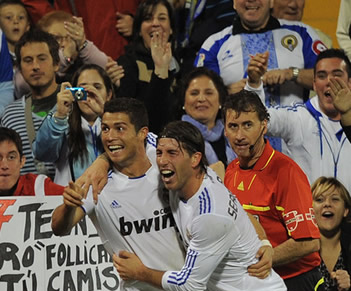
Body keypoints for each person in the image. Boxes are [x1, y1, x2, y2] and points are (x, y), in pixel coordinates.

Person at [113, 120, 290, 291]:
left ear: (195, 159)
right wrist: (99, 165)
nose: (162, 160)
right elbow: (132, 139)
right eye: (159, 153)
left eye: (172, 153)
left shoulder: (209, 215)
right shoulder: (205, 176)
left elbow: (189, 284)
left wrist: (140, 272)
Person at [52, 97, 202, 291]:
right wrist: (68, 206)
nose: (110, 137)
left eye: (119, 128)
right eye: (105, 129)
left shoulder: (162, 158)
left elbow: (214, 172)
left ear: (143, 133)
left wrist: (102, 160)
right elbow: (60, 227)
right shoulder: (97, 183)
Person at [223, 90, 323, 291]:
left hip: (297, 283)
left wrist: (269, 257)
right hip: (257, 283)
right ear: (225, 130)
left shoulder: (286, 172)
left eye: (248, 125)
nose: (240, 135)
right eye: (233, 126)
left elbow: (309, 242)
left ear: (264, 126)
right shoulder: (231, 172)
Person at [246, 48, 351, 189]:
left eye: (337, 75)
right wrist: (253, 84)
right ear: (314, 84)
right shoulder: (297, 118)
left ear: (349, 82)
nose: (329, 82)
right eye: (321, 76)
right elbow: (255, 121)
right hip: (306, 209)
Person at [195, 0, 325, 113]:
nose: (251, 0)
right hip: (236, 139)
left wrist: (291, 74)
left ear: (272, 1)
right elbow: (195, 95)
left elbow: (331, 79)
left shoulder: (302, 33)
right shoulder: (214, 44)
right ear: (234, 3)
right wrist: (226, 92)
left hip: (293, 140)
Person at [33, 64, 114, 185]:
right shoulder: (61, 122)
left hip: (109, 199)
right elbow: (42, 154)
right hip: (70, 198)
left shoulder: (118, 124)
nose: (90, 94)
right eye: (83, 90)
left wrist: (105, 116)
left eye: (97, 88)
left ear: (108, 95)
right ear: (73, 93)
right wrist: (60, 116)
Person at [1, 28, 60, 178]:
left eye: (42, 58)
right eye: (28, 60)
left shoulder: (77, 105)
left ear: (56, 64)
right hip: (28, 197)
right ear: (19, 69)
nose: (35, 66)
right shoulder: (11, 115)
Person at [13, 10, 108, 99]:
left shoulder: (84, 58)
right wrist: (65, 57)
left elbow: (105, 67)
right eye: (56, 38)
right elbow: (22, 84)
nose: (64, 43)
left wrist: (82, 44)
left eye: (70, 37)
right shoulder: (34, 61)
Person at [117, 0, 178, 134]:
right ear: (138, 30)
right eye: (147, 19)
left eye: (162, 18)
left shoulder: (182, 64)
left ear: (171, 28)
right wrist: (160, 70)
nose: (155, 23)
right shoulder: (127, 63)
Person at [22, 0, 140, 60]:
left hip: (131, 52)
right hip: (80, 52)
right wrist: (56, 24)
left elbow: (151, 8)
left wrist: (137, 21)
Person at [178, 67, 236, 168]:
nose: (201, 99)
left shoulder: (234, 134)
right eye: (194, 93)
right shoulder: (176, 137)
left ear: (220, 101)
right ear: (184, 101)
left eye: (209, 93)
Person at [311, 176, 351, 291]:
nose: (327, 204)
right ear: (310, 210)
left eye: (335, 199)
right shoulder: (298, 249)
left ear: (346, 210)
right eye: (319, 200)